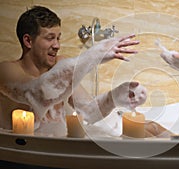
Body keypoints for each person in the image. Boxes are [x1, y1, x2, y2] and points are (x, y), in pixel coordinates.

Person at [0, 5, 169, 137]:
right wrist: (91, 57)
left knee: (149, 127)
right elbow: (37, 94)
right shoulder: (8, 70)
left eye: (58, 38)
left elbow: (89, 112)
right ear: (28, 41)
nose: (57, 45)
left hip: (62, 146)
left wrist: (115, 97)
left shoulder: (61, 64)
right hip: (29, 153)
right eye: (50, 38)